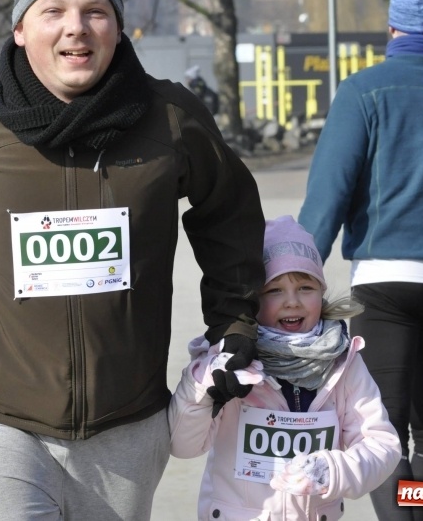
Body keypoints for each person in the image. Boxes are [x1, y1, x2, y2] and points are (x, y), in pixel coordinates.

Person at [0, 0, 265, 519]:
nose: (76, 28)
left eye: (95, 11)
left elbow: (229, 215)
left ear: (118, 27)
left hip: (126, 418)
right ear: (20, 30)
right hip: (3, 415)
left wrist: (235, 321)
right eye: (53, 10)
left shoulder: (172, 116)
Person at [297, 0, 423, 519]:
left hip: (384, 280)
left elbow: (328, 198)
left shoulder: (364, 91)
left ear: (393, 31)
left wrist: (293, 277)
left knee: (381, 429)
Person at [169, 216, 401, 521]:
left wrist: (333, 471)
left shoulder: (344, 361)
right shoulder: (228, 361)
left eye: (306, 287)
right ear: (252, 298)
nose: (292, 302)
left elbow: (381, 444)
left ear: (321, 291)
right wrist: (203, 387)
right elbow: (183, 445)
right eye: (274, 290)